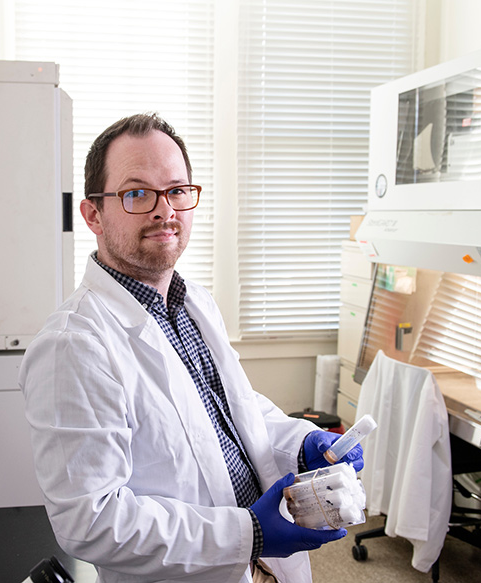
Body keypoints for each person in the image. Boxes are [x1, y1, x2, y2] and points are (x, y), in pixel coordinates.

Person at [19, 113, 364, 583]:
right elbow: (92, 522)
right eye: (137, 193)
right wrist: (248, 533)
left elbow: (231, 411)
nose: (166, 211)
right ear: (93, 214)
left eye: (177, 190)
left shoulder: (192, 301)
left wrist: (302, 444)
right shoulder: (73, 347)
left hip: (265, 568)